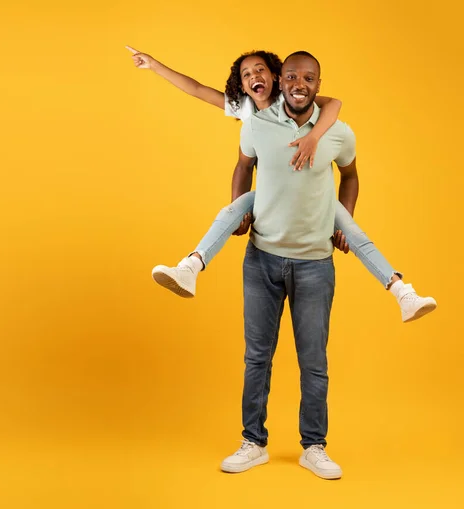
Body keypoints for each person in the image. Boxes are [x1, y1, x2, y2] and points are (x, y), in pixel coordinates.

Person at [127, 46, 437, 323]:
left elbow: (334, 103)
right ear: (242, 85)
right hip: (271, 199)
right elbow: (197, 90)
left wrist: (312, 138)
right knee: (234, 207)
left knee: (352, 230)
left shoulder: (293, 97)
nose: (254, 76)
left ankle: (402, 293)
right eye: (246, 74)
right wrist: (154, 65)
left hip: (314, 201)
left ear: (277, 77)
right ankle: (190, 267)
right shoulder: (248, 112)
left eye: (260, 69)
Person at [225, 51, 355, 479]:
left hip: (315, 263)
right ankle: (253, 442)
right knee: (257, 357)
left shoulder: (337, 131)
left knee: (314, 360)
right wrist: (237, 212)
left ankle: (314, 446)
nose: (301, 83)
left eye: (310, 78)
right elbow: (243, 166)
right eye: (294, 76)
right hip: (261, 258)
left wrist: (346, 222)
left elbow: (351, 175)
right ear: (281, 80)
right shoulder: (256, 123)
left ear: (319, 84)